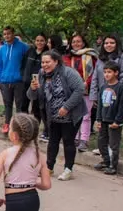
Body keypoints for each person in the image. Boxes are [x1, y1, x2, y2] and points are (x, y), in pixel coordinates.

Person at [28, 51, 88, 181]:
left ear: (56, 61)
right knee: (53, 141)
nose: (45, 65)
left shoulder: (68, 72)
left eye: (48, 62)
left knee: (68, 141)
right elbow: (32, 96)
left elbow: (79, 90)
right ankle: (49, 167)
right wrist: (32, 88)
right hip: (52, 114)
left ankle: (68, 169)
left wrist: (67, 107)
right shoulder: (41, 74)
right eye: (43, 62)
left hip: (71, 114)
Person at [93, 62, 123, 175]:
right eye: (105, 72)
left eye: (109, 72)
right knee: (101, 142)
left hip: (114, 121)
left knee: (113, 144)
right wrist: (98, 119)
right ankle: (106, 161)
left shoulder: (121, 88)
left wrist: (118, 121)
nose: (106, 74)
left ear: (116, 73)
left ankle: (113, 166)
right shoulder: (103, 87)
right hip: (103, 119)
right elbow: (99, 105)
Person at [0, 26, 29, 134]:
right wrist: (0, 79)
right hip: (5, 81)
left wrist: (24, 76)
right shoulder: (1, 49)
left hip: (19, 81)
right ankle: (7, 123)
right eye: (5, 34)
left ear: (13, 33)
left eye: (9, 33)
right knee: (7, 104)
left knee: (20, 105)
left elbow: (27, 63)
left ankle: (19, 125)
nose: (6, 36)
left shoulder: (23, 47)